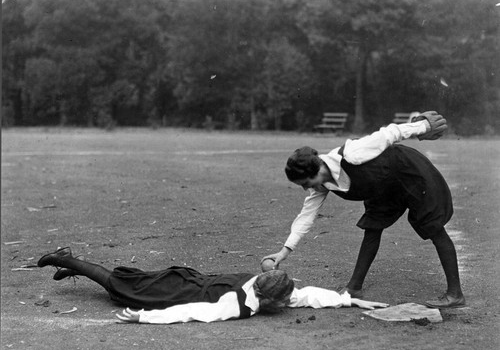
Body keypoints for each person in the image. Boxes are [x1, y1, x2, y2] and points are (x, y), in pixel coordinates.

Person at [262, 111, 465, 309]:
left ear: (318, 170)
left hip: (409, 172)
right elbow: (306, 216)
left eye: (306, 182)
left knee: (434, 228)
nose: (307, 188)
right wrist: (284, 251)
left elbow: (389, 133)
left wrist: (423, 127)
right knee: (372, 228)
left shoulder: (352, 154)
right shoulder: (321, 184)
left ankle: (455, 294)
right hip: (383, 186)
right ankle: (354, 288)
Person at [37, 247, 389, 324]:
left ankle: (73, 265)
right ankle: (68, 260)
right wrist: (143, 318)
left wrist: (350, 301)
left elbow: (309, 294)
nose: (288, 305)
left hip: (187, 279)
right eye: (283, 303)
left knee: (125, 280)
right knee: (119, 287)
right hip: (181, 291)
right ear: (268, 299)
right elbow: (191, 311)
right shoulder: (236, 305)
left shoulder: (266, 285)